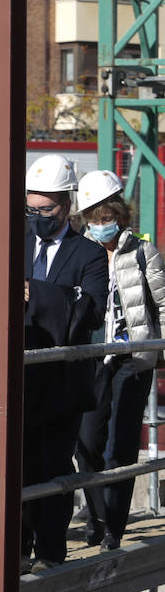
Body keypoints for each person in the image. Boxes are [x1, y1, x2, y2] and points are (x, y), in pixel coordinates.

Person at [22, 153, 109, 569]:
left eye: (45, 209)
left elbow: (88, 312)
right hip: (19, 379)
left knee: (53, 469)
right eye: (30, 209)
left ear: (67, 206)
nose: (37, 217)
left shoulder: (88, 255)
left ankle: (50, 552)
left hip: (62, 383)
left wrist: (34, 294)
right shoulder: (14, 243)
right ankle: (17, 550)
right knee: (18, 467)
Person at [73, 169, 165, 552]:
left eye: (105, 219)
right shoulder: (80, 253)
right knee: (87, 442)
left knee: (121, 445)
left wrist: (157, 352)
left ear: (119, 215)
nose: (100, 227)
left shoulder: (143, 253)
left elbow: (162, 304)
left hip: (131, 358)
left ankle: (113, 525)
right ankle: (95, 516)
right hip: (91, 359)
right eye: (93, 220)